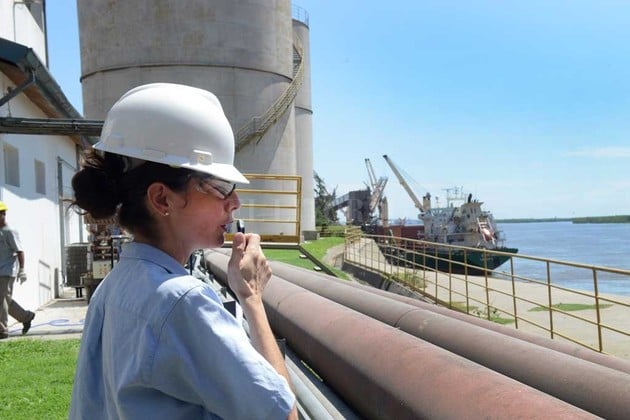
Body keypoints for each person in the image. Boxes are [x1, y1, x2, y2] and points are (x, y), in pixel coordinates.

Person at [68, 83, 297, 419]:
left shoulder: (113, 288)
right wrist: (251, 298)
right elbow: (283, 415)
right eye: (221, 187)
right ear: (162, 199)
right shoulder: (181, 302)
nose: (235, 202)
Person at [0, 201, 36, 339]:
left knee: (2, 301)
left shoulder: (9, 231)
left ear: (3, 214)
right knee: (5, 300)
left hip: (6, 271)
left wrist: (22, 270)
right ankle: (26, 317)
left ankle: (2, 331)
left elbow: (19, 251)